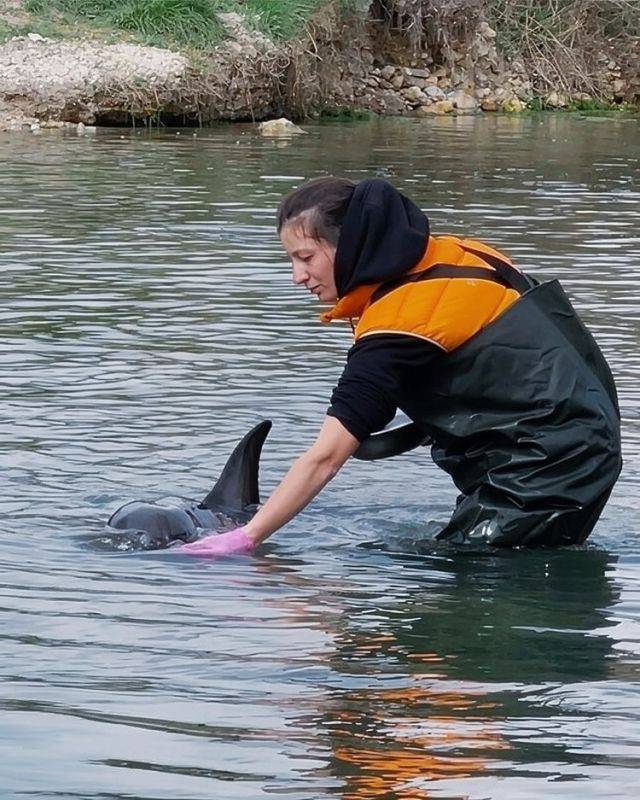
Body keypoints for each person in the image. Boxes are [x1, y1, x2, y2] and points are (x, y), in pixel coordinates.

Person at [178, 177, 622, 557]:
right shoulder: (460, 255)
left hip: (547, 462)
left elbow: (326, 457)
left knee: (478, 584)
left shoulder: (400, 324)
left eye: (305, 257)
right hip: (579, 437)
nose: (297, 276)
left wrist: (246, 537)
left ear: (350, 245)